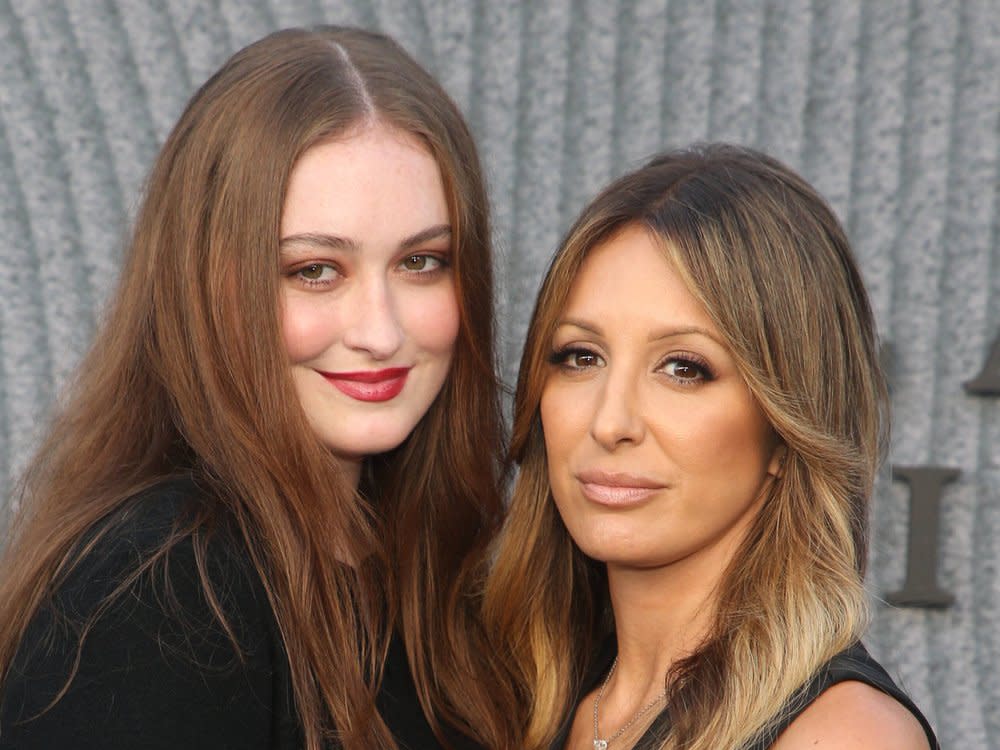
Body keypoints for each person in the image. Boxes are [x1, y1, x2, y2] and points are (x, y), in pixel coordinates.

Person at [0, 26, 512, 750]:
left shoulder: (435, 576)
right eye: (314, 270)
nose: (380, 330)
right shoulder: (162, 591)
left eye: (421, 262)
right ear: (209, 288)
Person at [483, 144, 939, 750]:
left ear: (784, 426)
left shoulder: (842, 734)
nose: (609, 421)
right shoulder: (518, 699)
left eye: (683, 368)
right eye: (580, 357)